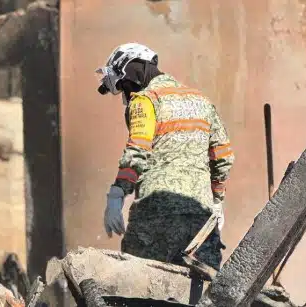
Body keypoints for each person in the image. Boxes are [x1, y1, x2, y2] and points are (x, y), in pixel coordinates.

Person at [96, 43, 235, 270]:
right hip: (200, 216)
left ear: (134, 71)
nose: (126, 96)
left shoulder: (145, 101)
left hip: (155, 215)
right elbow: (223, 156)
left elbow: (138, 151)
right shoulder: (201, 100)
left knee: (136, 285)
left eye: (125, 87)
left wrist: (117, 193)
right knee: (203, 292)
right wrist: (217, 200)